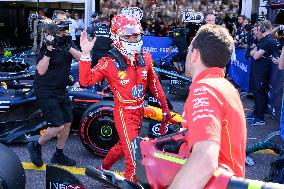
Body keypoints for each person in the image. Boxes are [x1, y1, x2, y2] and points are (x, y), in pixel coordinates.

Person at [79, 15, 171, 182]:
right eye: (127, 36)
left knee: (123, 146)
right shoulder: (108, 62)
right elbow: (86, 81)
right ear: (116, 37)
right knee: (134, 161)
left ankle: (103, 169)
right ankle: (129, 182)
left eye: (135, 35)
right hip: (123, 113)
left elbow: (155, 86)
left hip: (140, 112)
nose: (132, 39)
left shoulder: (146, 58)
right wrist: (85, 54)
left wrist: (165, 109)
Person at [169, 24, 247, 189]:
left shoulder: (205, 89)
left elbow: (204, 161)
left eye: (190, 50)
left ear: (195, 54)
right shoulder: (224, 85)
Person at [27, 15, 82, 167]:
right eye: (60, 23)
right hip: (45, 89)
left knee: (67, 123)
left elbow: (82, 58)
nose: (63, 27)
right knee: (57, 125)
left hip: (60, 89)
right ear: (53, 25)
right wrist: (49, 51)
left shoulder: (68, 41)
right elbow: (41, 70)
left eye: (65, 23)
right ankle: (36, 145)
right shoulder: (46, 42)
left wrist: (68, 46)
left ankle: (59, 154)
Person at [248, 20, 279, 126]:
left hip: (263, 72)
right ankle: (256, 113)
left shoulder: (269, 41)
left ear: (262, 28)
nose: (258, 31)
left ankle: (260, 118)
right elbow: (254, 51)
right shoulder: (264, 39)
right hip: (258, 70)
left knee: (260, 93)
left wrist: (253, 53)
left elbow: (255, 55)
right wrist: (254, 52)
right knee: (257, 92)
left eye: (259, 28)